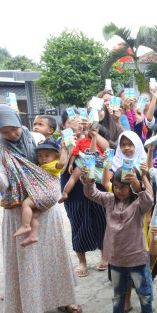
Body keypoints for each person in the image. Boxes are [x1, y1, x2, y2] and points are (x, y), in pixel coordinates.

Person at [0, 104, 81, 313]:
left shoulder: (35, 138)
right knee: (26, 264)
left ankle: (63, 299)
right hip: (18, 211)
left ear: (19, 121)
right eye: (4, 131)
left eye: (14, 129)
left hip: (46, 210)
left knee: (54, 257)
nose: (12, 135)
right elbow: (2, 185)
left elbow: (56, 162)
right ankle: (28, 311)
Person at [82, 165, 157, 313]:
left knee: (144, 291)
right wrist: (89, 179)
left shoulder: (139, 204)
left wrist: (138, 185)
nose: (118, 190)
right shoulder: (109, 200)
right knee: (118, 293)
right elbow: (91, 194)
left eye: (123, 187)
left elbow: (149, 201)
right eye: (116, 186)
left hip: (137, 257)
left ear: (132, 187)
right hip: (115, 258)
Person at [59, 108, 109, 277]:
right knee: (78, 221)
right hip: (74, 187)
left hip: (96, 184)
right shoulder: (63, 141)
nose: (77, 124)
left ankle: (104, 256)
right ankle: (82, 261)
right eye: (72, 121)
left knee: (102, 219)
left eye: (79, 121)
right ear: (63, 125)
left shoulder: (91, 135)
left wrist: (94, 133)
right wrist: (65, 148)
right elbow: (61, 165)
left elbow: (106, 148)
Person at [13, 138, 69, 246]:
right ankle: (33, 235)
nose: (42, 159)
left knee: (26, 204)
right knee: (33, 216)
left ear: (56, 156)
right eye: (40, 156)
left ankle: (25, 226)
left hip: (46, 194)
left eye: (47, 156)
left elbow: (62, 163)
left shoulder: (52, 165)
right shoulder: (43, 165)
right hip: (49, 198)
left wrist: (64, 149)